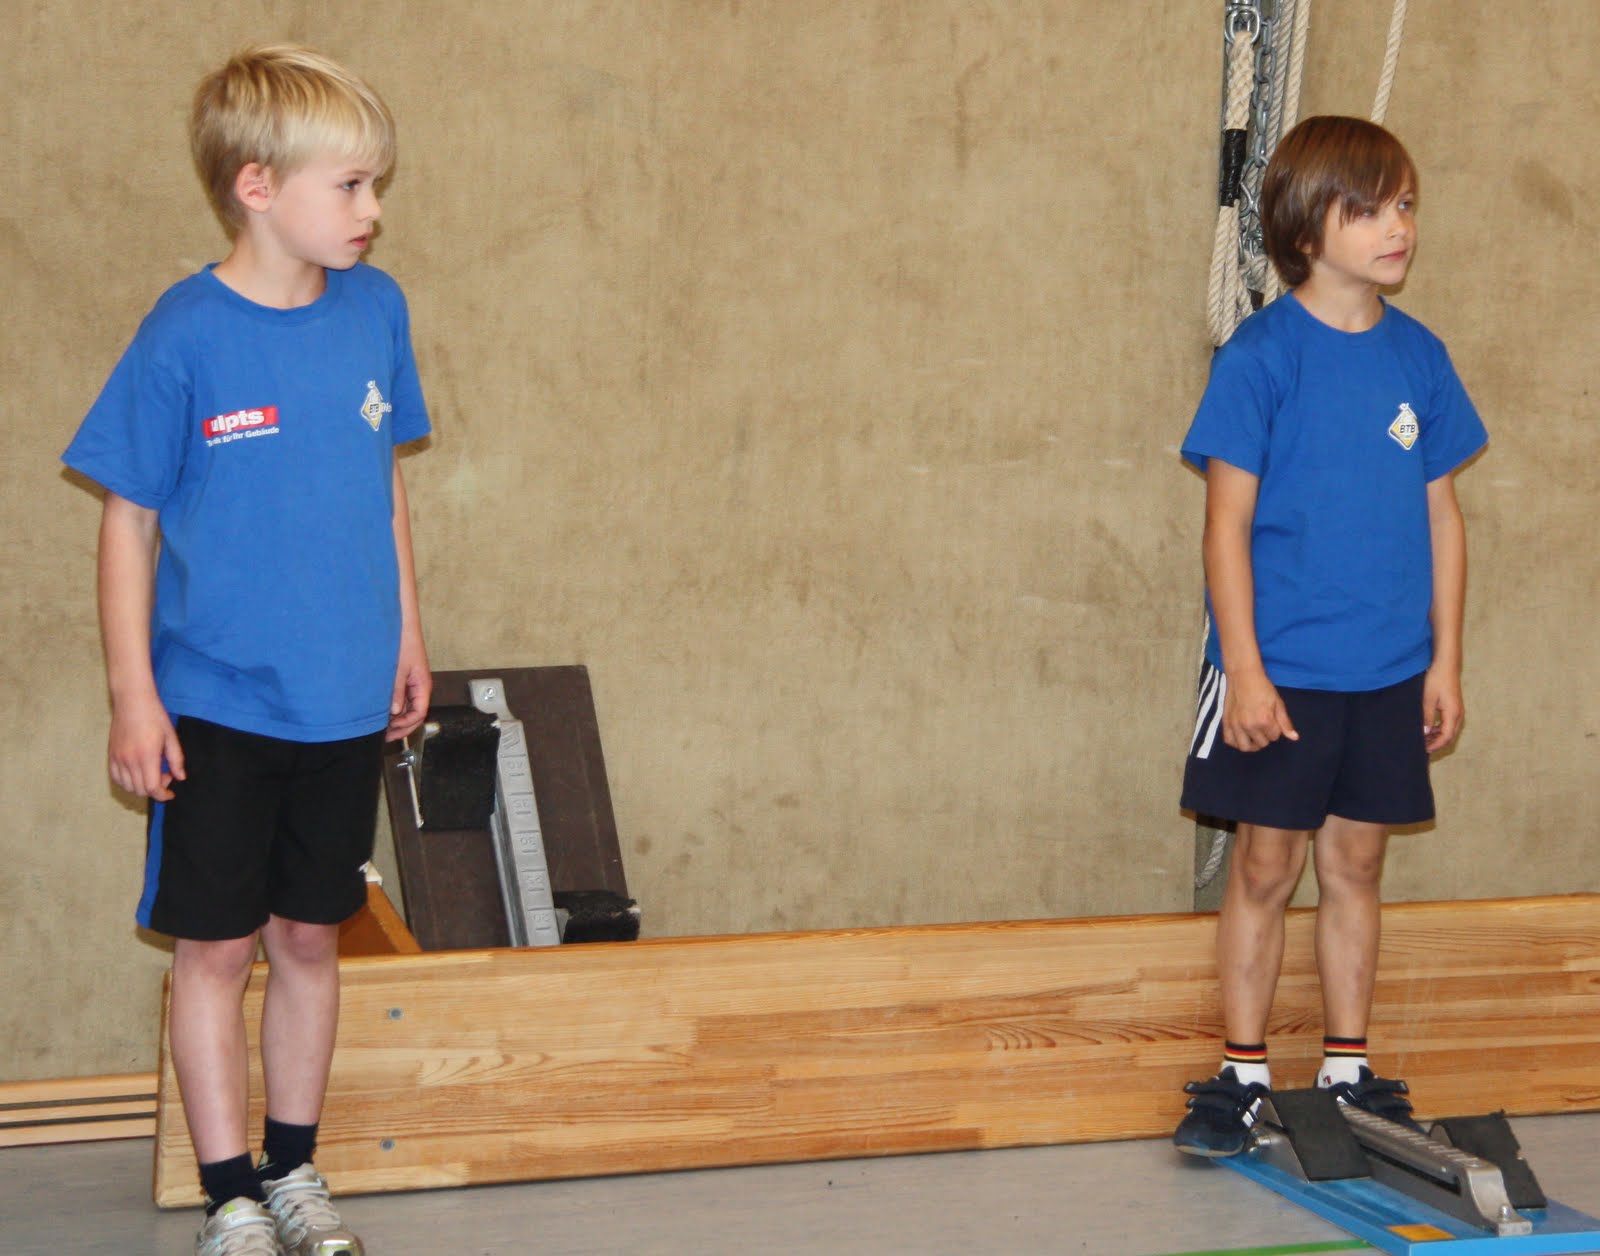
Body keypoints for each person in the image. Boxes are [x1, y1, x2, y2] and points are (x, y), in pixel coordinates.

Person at [63, 44, 431, 1254]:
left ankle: (293, 1170)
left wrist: (407, 632)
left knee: (311, 935)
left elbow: (383, 485)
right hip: (217, 707)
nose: (373, 211)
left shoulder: (376, 310)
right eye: (352, 186)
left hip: (343, 701)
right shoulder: (185, 334)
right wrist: (134, 695)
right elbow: (128, 519)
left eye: (376, 185)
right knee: (216, 946)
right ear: (257, 187)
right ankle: (229, 1193)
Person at [1172, 116, 1487, 1157]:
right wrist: (1245, 670)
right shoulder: (1261, 358)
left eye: (1405, 205)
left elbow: (1442, 516)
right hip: (1282, 671)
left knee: (1356, 863)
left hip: (1387, 671)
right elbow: (1225, 526)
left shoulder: (1419, 357)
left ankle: (1348, 1070)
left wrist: (1442, 660)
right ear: (1308, 228)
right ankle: (1241, 1075)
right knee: (1266, 865)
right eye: (1370, 209)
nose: (1398, 227)